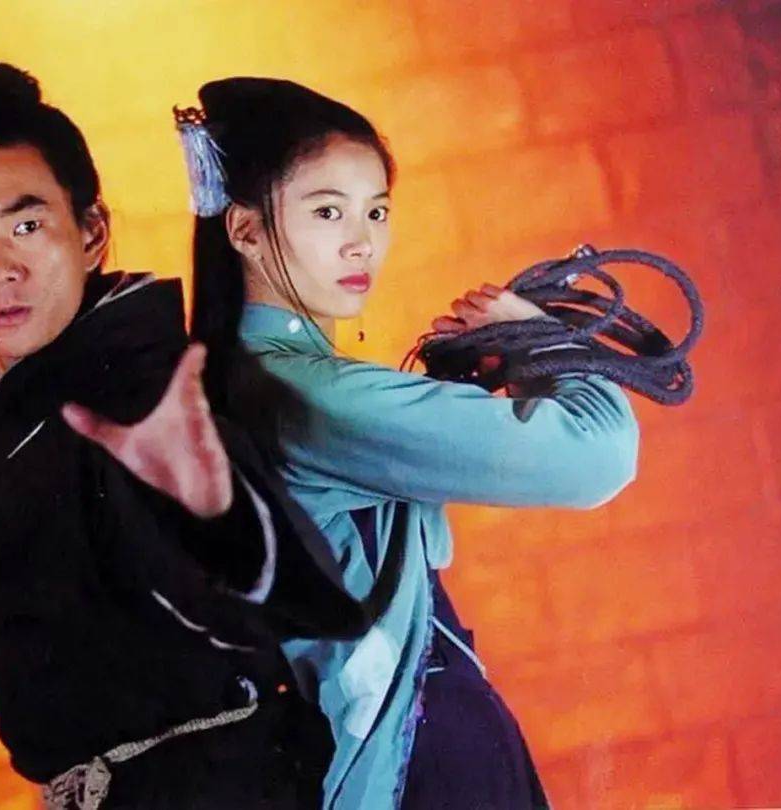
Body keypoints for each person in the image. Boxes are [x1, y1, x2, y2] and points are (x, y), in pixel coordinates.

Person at [0, 62, 394, 810]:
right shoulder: (34, 376)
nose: (0, 271)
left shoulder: (135, 389)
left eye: (27, 226)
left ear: (91, 233)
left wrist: (214, 515)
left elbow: (282, 599)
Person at [175, 77, 641, 809]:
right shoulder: (307, 394)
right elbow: (598, 455)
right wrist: (538, 343)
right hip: (423, 749)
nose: (361, 241)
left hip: (372, 749)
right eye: (327, 211)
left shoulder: (228, 385)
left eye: (377, 211)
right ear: (246, 231)